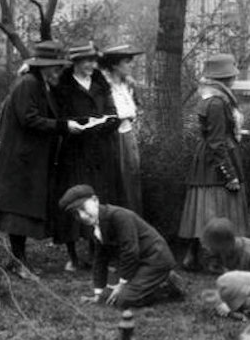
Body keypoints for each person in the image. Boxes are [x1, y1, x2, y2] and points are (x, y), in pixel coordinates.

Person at [0, 41, 82, 280]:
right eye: (56, 68)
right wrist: (63, 126)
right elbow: (29, 119)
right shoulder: (28, 84)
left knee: (22, 214)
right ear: (44, 67)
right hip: (20, 162)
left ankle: (18, 261)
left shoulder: (38, 84)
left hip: (29, 161)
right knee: (17, 214)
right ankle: (19, 263)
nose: (58, 73)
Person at [52, 41, 123, 272]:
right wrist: (74, 124)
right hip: (74, 151)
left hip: (100, 151)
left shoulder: (101, 84)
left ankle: (97, 254)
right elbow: (57, 117)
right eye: (88, 61)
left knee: (99, 198)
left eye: (94, 61)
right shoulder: (62, 85)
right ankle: (72, 256)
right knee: (73, 198)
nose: (93, 65)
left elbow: (113, 113)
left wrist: (106, 123)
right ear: (76, 62)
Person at [58, 184, 186, 308]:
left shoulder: (119, 216)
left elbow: (130, 251)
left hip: (155, 260)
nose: (82, 216)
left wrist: (122, 284)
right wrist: (98, 293)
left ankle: (166, 283)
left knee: (123, 300)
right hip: (137, 263)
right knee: (106, 297)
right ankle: (152, 281)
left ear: (95, 200)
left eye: (83, 208)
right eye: (76, 213)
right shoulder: (98, 227)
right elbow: (100, 260)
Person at [179, 53, 249, 270]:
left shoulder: (211, 98)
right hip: (216, 162)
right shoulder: (218, 102)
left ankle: (193, 257)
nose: (234, 78)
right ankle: (213, 260)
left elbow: (214, 135)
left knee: (205, 209)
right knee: (217, 209)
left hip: (208, 160)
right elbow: (217, 142)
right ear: (225, 78)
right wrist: (229, 174)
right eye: (232, 75)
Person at [99, 44, 144, 216]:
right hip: (112, 138)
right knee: (117, 180)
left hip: (128, 136)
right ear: (115, 65)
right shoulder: (104, 86)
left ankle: (134, 221)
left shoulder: (128, 86)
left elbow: (135, 110)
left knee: (132, 179)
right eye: (127, 62)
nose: (130, 65)